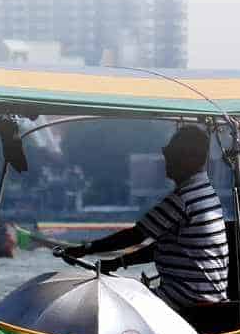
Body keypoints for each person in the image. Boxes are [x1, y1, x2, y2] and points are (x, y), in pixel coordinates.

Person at [61, 125, 230, 311]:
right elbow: (160, 247)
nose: (167, 162)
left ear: (187, 160)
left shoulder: (183, 199)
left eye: (172, 157)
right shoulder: (206, 193)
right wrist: (117, 263)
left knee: (117, 306)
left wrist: (86, 249)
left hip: (186, 298)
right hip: (205, 294)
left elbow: (136, 235)